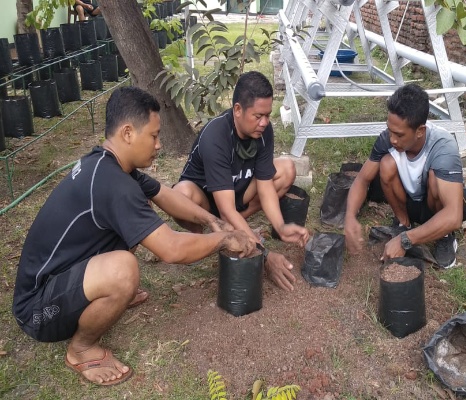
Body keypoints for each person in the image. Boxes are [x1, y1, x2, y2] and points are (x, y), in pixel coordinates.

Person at [12, 86, 255, 387]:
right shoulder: (114, 185)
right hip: (36, 311)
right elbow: (171, 249)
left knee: (130, 247)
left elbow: (163, 194)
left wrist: (211, 219)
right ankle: (82, 349)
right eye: (153, 136)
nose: (159, 144)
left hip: (58, 279)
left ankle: (101, 296)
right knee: (124, 270)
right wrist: (224, 239)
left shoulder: (109, 165)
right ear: (128, 133)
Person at [173, 71, 310, 291]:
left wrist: (281, 227)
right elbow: (225, 209)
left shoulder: (264, 132)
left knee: (286, 168)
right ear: (238, 110)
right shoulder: (216, 136)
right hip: (206, 201)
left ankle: (233, 228)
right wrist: (263, 254)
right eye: (258, 116)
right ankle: (207, 233)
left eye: (267, 115)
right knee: (181, 194)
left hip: (236, 193)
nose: (264, 122)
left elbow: (265, 186)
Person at [344, 84, 466, 268]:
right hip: (409, 203)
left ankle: (444, 236)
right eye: (390, 130)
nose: (392, 139)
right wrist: (350, 216)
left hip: (436, 208)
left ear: (420, 131)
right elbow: (363, 179)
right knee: (387, 164)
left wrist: (405, 241)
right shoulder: (387, 140)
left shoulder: (443, 147)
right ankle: (403, 223)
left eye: (399, 134)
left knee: (436, 178)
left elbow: (453, 215)